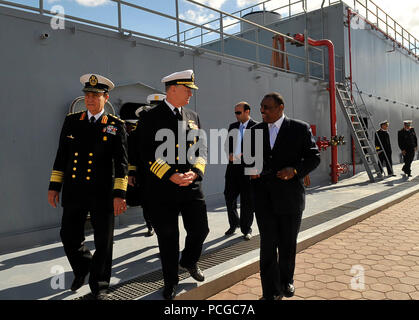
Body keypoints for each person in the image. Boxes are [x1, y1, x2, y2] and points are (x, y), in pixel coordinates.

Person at [47, 74, 128, 300]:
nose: (90, 99)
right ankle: (84, 267)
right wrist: (54, 186)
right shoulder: (73, 121)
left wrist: (119, 194)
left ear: (105, 97)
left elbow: (121, 164)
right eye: (87, 95)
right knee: (68, 235)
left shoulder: (114, 125)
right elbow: (61, 156)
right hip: (75, 189)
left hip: (102, 192)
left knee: (104, 240)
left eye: (96, 95)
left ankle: (100, 285)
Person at [132, 69, 209, 300]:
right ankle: (170, 282)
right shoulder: (149, 117)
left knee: (200, 229)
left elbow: (201, 149)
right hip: (162, 189)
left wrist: (196, 172)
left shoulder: (193, 115)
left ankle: (189, 261)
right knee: (168, 238)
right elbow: (143, 153)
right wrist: (169, 175)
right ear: (172, 89)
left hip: (191, 186)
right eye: (187, 90)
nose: (190, 95)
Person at [248, 92, 320, 300]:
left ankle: (286, 280)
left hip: (290, 199)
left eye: (267, 107)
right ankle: (269, 291)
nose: (263, 111)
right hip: (263, 199)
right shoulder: (254, 131)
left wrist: (295, 170)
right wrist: (249, 168)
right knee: (268, 245)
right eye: (261, 107)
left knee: (287, 243)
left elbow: (313, 158)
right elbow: (248, 161)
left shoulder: (299, 128)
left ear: (280, 107)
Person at [223, 102, 258, 240]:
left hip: (248, 170)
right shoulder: (232, 127)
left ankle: (246, 228)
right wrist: (230, 154)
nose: (236, 115)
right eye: (235, 113)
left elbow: (260, 148)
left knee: (247, 201)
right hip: (232, 170)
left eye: (238, 112)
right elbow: (227, 145)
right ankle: (234, 224)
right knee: (229, 197)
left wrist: (244, 154)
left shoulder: (257, 127)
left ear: (247, 111)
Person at [120, 103, 154, 237]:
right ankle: (150, 225)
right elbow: (132, 156)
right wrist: (132, 173)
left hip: (162, 173)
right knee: (146, 201)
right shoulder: (134, 134)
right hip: (143, 173)